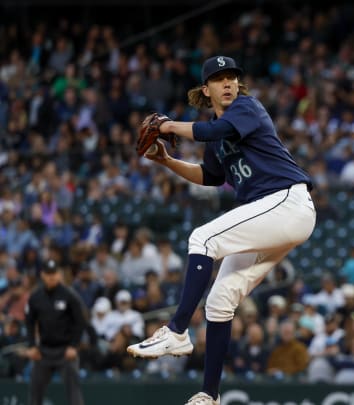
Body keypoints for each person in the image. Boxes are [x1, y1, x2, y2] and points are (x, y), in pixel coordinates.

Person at [126, 56, 316, 405]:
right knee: (220, 301)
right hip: (270, 215)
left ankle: (177, 331)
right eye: (219, 78)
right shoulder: (218, 131)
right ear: (206, 89)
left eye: (232, 77)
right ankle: (209, 395)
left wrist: (168, 126)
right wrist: (166, 160)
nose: (228, 83)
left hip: (286, 201)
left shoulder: (247, 107)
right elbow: (211, 177)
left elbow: (213, 131)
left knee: (202, 238)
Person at [25, 260, 86, 405]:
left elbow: (81, 322)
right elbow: (29, 321)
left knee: (74, 394)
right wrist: (32, 345)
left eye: (54, 273)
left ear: (59, 275)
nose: (51, 277)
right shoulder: (36, 297)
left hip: (65, 351)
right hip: (44, 351)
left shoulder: (69, 295)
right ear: (42, 275)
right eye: (48, 273)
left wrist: (74, 345)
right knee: (35, 393)